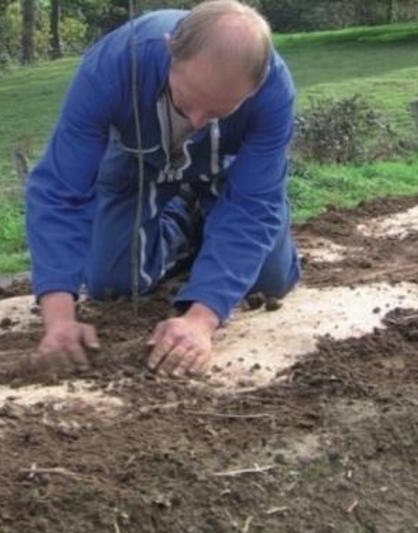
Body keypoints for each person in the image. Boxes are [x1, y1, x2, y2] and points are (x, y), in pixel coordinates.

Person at [26, 0, 301, 377]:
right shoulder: (114, 65)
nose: (197, 121)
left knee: (269, 283)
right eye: (186, 100)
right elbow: (60, 189)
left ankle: (210, 219)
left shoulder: (275, 91)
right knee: (112, 283)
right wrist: (58, 318)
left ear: (257, 82)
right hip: (140, 160)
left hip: (228, 171)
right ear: (171, 48)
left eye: (219, 111)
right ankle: (184, 222)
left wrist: (202, 319)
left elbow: (254, 204)